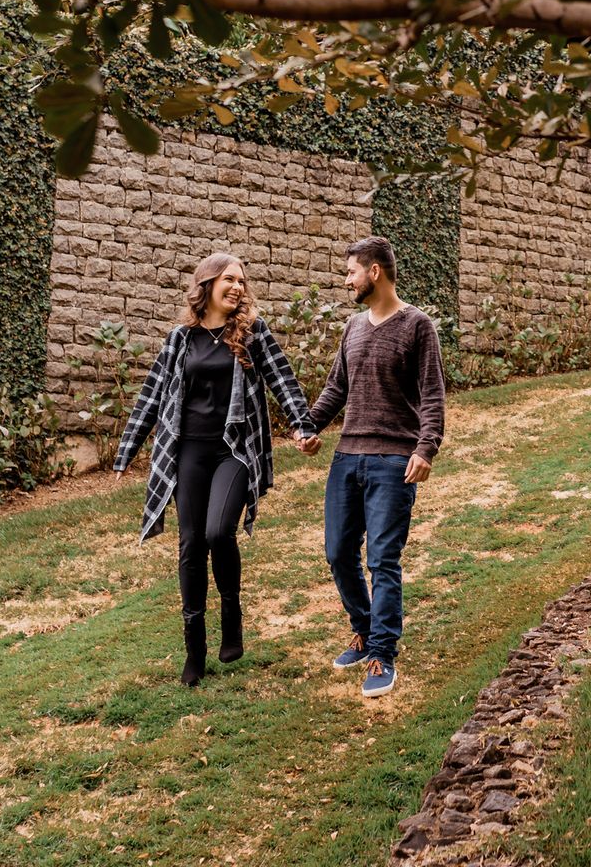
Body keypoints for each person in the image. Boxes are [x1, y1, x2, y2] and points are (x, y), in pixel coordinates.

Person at [114, 252, 319, 687]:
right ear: (206, 284)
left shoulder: (251, 333)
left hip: (234, 450)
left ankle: (231, 616)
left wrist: (302, 426)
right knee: (190, 545)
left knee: (216, 533)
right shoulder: (180, 338)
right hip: (188, 450)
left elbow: (282, 380)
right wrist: (127, 450)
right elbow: (152, 395)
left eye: (242, 281)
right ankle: (195, 649)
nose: (238, 287)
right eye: (229, 279)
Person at [298, 236, 445, 699]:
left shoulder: (417, 326)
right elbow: (335, 389)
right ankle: (362, 631)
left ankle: (383, 652)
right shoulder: (352, 328)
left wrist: (425, 449)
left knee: (382, 558)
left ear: (375, 272)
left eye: (351, 272)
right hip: (347, 457)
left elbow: (432, 395)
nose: (346, 280)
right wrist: (308, 425)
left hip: (393, 460)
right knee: (338, 552)